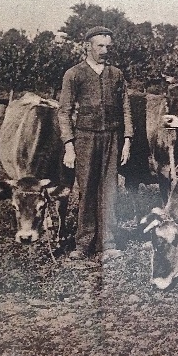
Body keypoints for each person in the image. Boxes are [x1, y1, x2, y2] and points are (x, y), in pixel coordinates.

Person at [58, 26, 133, 262]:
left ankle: (108, 243)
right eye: (100, 46)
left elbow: (126, 108)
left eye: (108, 46)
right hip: (85, 138)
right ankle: (84, 244)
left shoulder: (116, 74)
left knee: (110, 190)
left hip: (112, 137)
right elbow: (64, 112)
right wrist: (69, 144)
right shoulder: (74, 74)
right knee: (87, 190)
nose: (105, 51)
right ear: (87, 46)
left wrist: (127, 140)